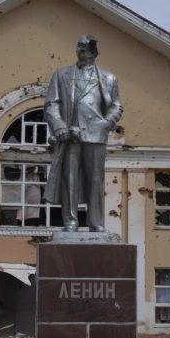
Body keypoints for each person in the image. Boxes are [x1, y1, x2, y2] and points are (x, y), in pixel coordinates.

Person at [42, 34, 123, 232]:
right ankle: (70, 221)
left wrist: (106, 123)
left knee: (95, 180)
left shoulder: (109, 78)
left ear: (94, 52)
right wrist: (59, 126)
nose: (81, 50)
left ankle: (95, 222)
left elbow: (116, 106)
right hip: (70, 134)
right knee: (69, 179)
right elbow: (52, 103)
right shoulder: (61, 74)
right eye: (79, 47)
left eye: (85, 48)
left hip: (95, 134)